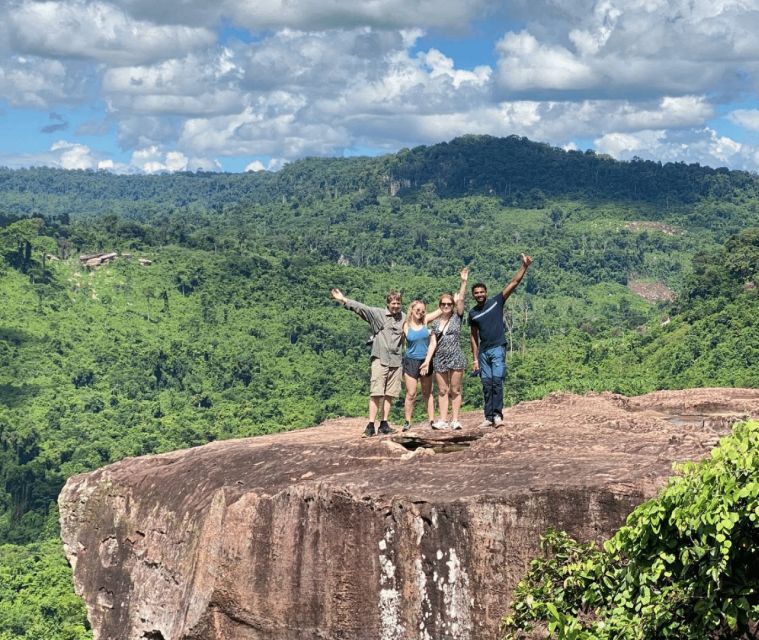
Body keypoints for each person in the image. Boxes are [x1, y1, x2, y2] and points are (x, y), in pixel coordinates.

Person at [468, 254, 533, 428]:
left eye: (482, 292)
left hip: (498, 348)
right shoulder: (473, 313)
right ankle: (488, 417)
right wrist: (474, 359)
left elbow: (513, 283)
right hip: (483, 352)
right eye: (476, 293)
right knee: (486, 384)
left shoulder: (496, 302)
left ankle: (497, 415)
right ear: (473, 295)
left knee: (497, 381)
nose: (480, 295)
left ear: (486, 293)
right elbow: (473, 336)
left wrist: (524, 266)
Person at [330, 288, 404, 437]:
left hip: (396, 361)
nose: (396, 306)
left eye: (398, 303)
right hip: (380, 358)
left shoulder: (403, 317)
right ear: (388, 303)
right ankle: (370, 425)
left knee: (390, 394)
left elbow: (420, 320)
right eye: (393, 303)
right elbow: (361, 308)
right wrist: (343, 299)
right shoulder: (378, 314)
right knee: (376, 392)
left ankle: (384, 424)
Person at [422, 267, 469, 430]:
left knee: (455, 389)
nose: (447, 306)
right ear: (440, 305)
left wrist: (463, 282)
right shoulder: (434, 323)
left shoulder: (457, 317)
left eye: (449, 303)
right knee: (442, 390)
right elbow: (433, 343)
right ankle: (442, 419)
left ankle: (455, 419)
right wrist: (427, 361)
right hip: (440, 358)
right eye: (443, 304)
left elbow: (461, 300)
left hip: (456, 356)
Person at [401, 300, 438, 432]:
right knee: (411, 393)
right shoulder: (405, 325)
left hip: (425, 361)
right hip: (411, 361)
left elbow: (441, 310)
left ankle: (432, 420)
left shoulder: (425, 321)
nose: (420, 313)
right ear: (411, 309)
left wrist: (456, 299)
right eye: (417, 310)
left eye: (422, 311)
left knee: (427, 393)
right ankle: (407, 421)